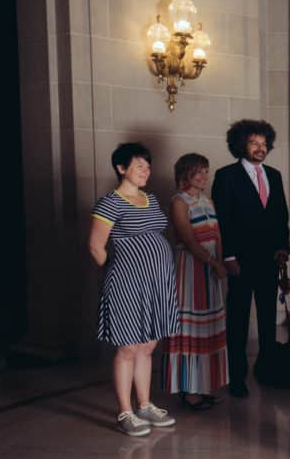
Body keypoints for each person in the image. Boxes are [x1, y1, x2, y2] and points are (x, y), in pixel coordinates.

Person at [88, 142, 179, 436]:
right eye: (139, 165)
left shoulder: (150, 199)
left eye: (148, 166)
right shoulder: (109, 203)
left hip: (157, 282)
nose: (146, 171)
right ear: (121, 168)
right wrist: (119, 274)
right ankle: (125, 412)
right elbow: (95, 246)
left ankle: (145, 405)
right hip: (127, 284)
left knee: (148, 344)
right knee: (127, 347)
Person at [211, 119, 290, 398]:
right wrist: (228, 255)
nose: (261, 148)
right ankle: (237, 376)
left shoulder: (275, 175)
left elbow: (282, 216)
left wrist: (284, 249)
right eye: (254, 143)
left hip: (270, 260)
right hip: (240, 260)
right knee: (239, 319)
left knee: (269, 318)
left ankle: (267, 368)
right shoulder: (226, 176)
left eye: (264, 143)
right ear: (240, 144)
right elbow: (223, 220)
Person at [163, 153, 229, 410]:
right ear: (186, 174)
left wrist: (219, 262)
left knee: (208, 327)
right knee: (190, 327)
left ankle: (203, 386)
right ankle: (189, 391)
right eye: (199, 172)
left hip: (211, 268)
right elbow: (189, 240)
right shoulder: (179, 202)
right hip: (190, 268)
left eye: (206, 171)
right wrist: (213, 263)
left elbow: (218, 235)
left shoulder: (208, 200)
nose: (204, 176)